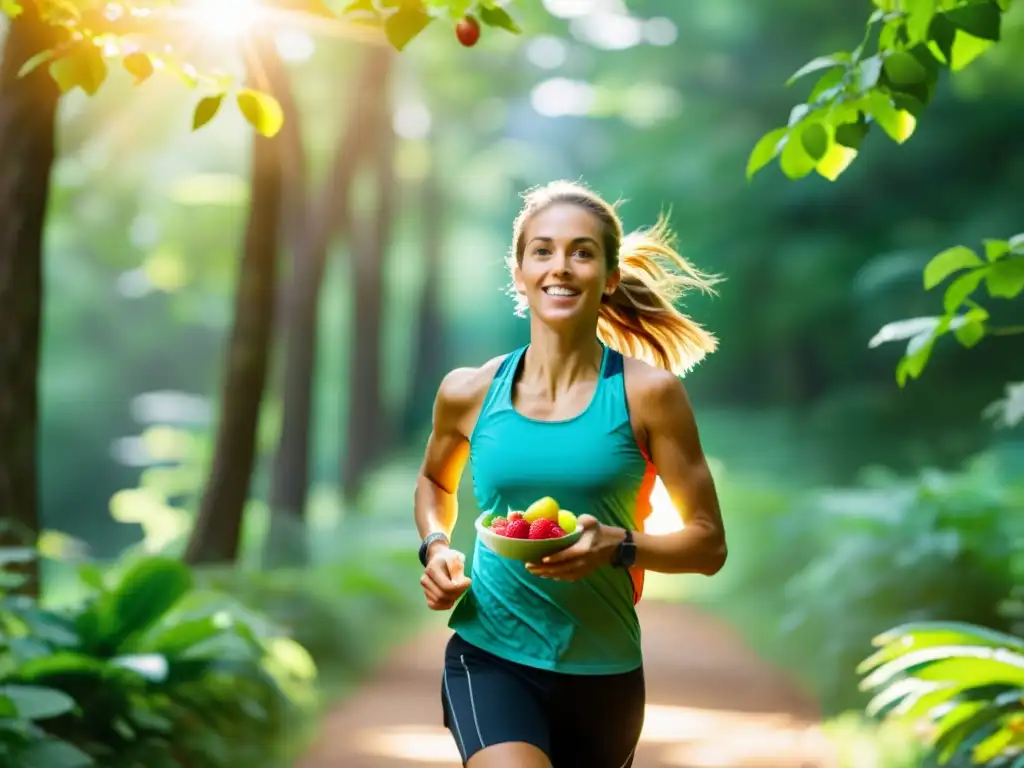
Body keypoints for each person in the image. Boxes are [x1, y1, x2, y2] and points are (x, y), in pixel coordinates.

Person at [413, 180, 727, 768]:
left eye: (582, 252)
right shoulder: (468, 391)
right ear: (520, 271)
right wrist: (435, 548)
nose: (561, 266)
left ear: (609, 276)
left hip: (604, 673)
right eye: (543, 250)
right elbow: (434, 482)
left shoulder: (650, 395)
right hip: (489, 655)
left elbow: (709, 545)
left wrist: (620, 547)